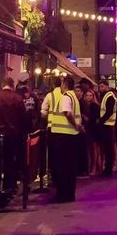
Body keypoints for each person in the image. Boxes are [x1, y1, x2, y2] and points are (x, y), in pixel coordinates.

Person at [0, 76, 27, 193]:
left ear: (2, 85)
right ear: (12, 85)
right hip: (12, 135)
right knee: (9, 161)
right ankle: (9, 186)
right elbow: (23, 118)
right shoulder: (17, 99)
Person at [47, 75, 82, 203]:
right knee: (70, 167)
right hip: (71, 135)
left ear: (64, 85)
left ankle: (63, 194)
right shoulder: (74, 97)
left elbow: (67, 113)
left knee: (61, 167)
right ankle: (69, 193)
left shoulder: (66, 97)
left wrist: (75, 125)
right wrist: (78, 126)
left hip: (62, 136)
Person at [97, 78, 117, 176]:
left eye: (102, 86)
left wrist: (101, 120)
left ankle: (108, 170)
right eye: (99, 86)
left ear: (107, 86)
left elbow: (108, 112)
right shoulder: (106, 96)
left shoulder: (109, 96)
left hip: (108, 125)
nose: (100, 88)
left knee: (108, 149)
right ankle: (107, 169)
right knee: (107, 148)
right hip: (106, 125)